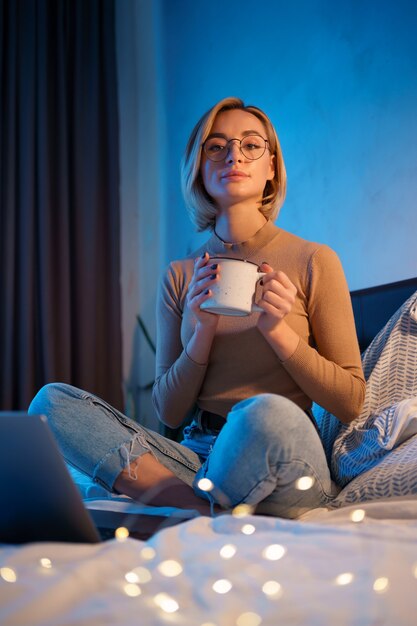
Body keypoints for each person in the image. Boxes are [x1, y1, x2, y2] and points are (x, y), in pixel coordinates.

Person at [29, 97, 365, 519]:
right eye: (217, 147)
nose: (233, 156)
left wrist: (279, 333)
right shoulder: (180, 276)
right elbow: (168, 412)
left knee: (264, 412)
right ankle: (201, 509)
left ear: (272, 168)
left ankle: (187, 508)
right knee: (51, 402)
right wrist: (200, 333)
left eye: (250, 145)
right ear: (200, 169)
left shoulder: (314, 260)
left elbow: (351, 402)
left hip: (282, 447)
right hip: (198, 458)